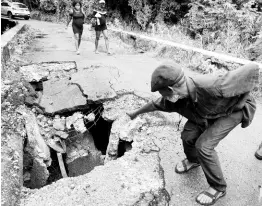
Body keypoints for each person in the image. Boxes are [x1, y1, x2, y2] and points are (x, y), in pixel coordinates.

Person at [127, 62, 259, 205]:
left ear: (171, 89)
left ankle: (218, 187)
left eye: (162, 92)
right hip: (207, 113)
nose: (162, 96)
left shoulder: (212, 85)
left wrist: (241, 102)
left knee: (204, 145)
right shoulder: (177, 99)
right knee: (188, 136)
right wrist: (134, 113)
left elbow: (251, 71)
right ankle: (194, 160)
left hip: (233, 111)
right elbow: (155, 104)